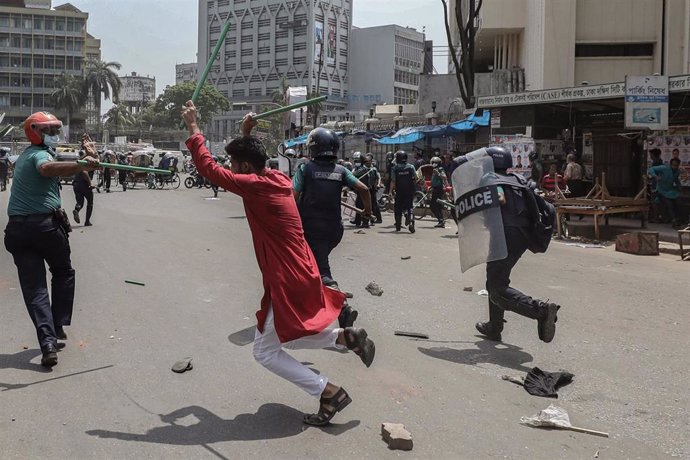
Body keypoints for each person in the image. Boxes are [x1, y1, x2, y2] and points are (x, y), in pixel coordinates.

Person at [181, 101, 375, 426]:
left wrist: (193, 127)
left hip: (288, 276)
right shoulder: (276, 178)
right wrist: (247, 134)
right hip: (300, 270)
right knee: (288, 333)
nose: (231, 168)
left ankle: (328, 391)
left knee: (264, 352)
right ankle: (344, 338)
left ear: (244, 166)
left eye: (235, 163)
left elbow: (209, 170)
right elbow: (249, 160)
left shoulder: (256, 186)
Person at [4, 111, 99, 367]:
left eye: (56, 131)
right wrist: (83, 165)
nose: (55, 136)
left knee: (35, 288)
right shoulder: (40, 156)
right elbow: (47, 169)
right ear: (35, 132)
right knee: (63, 272)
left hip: (18, 231)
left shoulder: (24, 155)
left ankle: (48, 343)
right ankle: (57, 324)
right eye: (50, 132)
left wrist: (86, 157)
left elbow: (58, 166)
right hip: (45, 227)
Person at [474, 147, 560, 343]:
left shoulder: (490, 178)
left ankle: (540, 310)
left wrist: (477, 206)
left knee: (496, 287)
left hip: (504, 233)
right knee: (496, 278)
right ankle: (494, 326)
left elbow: (499, 198)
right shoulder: (517, 179)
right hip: (522, 235)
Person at [293, 128, 372, 287]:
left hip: (311, 228)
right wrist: (367, 212)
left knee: (321, 269)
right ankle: (316, 297)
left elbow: (292, 198)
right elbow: (363, 189)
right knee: (313, 263)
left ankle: (339, 302)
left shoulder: (304, 169)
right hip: (335, 230)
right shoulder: (341, 171)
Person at [390, 150, 422, 233]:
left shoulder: (395, 168)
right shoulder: (411, 167)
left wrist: (390, 191)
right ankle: (411, 221)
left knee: (398, 207)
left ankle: (398, 225)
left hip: (399, 191)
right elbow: (416, 178)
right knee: (409, 207)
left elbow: (393, 181)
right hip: (410, 190)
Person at [648, 158, 682, 227]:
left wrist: (679, 186)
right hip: (661, 190)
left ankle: (678, 219)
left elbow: (676, 180)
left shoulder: (677, 171)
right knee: (669, 204)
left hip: (670, 190)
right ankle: (673, 220)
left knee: (678, 202)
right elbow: (651, 169)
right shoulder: (664, 168)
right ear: (671, 164)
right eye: (673, 165)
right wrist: (655, 176)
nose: (674, 167)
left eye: (676, 165)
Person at [72, 137, 97, 227]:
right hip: (84, 184)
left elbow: (90, 147)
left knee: (80, 203)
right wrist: (90, 183)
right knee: (90, 202)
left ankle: (77, 209)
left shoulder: (81, 159)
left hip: (76, 184)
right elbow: (84, 172)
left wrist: (87, 140)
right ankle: (87, 221)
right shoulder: (89, 159)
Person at [352, 153, 381, 227]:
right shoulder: (368, 169)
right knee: (365, 205)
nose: (368, 162)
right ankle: (359, 221)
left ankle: (364, 222)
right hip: (365, 189)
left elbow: (353, 175)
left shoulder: (364, 169)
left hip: (365, 190)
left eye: (369, 161)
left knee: (362, 205)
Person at [428, 156, 449, 228]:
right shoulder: (435, 169)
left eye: (434, 163)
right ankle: (441, 220)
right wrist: (431, 186)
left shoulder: (440, 169)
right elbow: (433, 180)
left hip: (439, 189)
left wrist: (438, 173)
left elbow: (444, 177)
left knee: (433, 206)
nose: (432, 164)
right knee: (437, 205)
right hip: (435, 188)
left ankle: (441, 220)